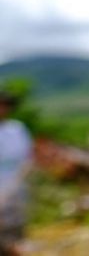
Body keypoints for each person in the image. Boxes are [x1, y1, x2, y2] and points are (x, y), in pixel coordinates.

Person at [0, 92, 32, 256]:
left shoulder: (17, 129)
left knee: (15, 234)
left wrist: (13, 186)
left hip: (16, 190)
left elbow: (27, 159)